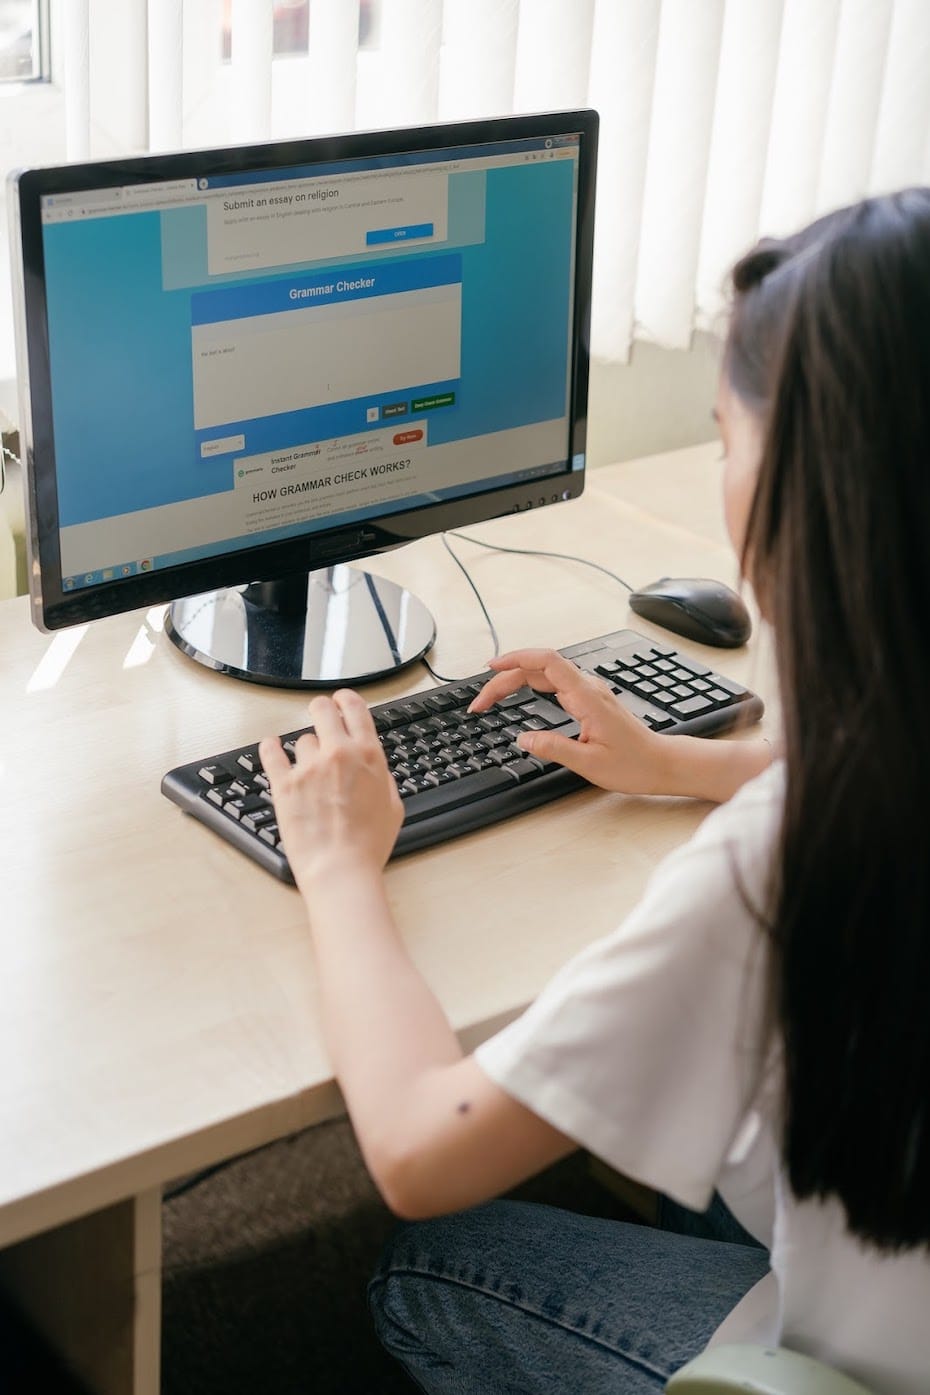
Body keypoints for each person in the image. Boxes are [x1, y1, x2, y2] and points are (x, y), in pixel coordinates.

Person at [259, 188, 930, 1394]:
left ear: (816, 492)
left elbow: (419, 1149)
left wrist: (340, 864)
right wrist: (686, 761)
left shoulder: (786, 861)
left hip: (856, 1363)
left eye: (728, 441)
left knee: (431, 1260)